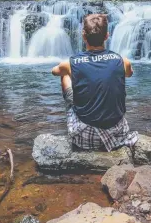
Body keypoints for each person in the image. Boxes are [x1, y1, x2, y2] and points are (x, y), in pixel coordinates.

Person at [51, 13, 138, 152]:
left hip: (85, 137)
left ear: (83, 36)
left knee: (65, 75)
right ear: (107, 36)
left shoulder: (71, 62)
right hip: (118, 132)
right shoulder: (122, 60)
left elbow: (54, 71)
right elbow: (129, 73)